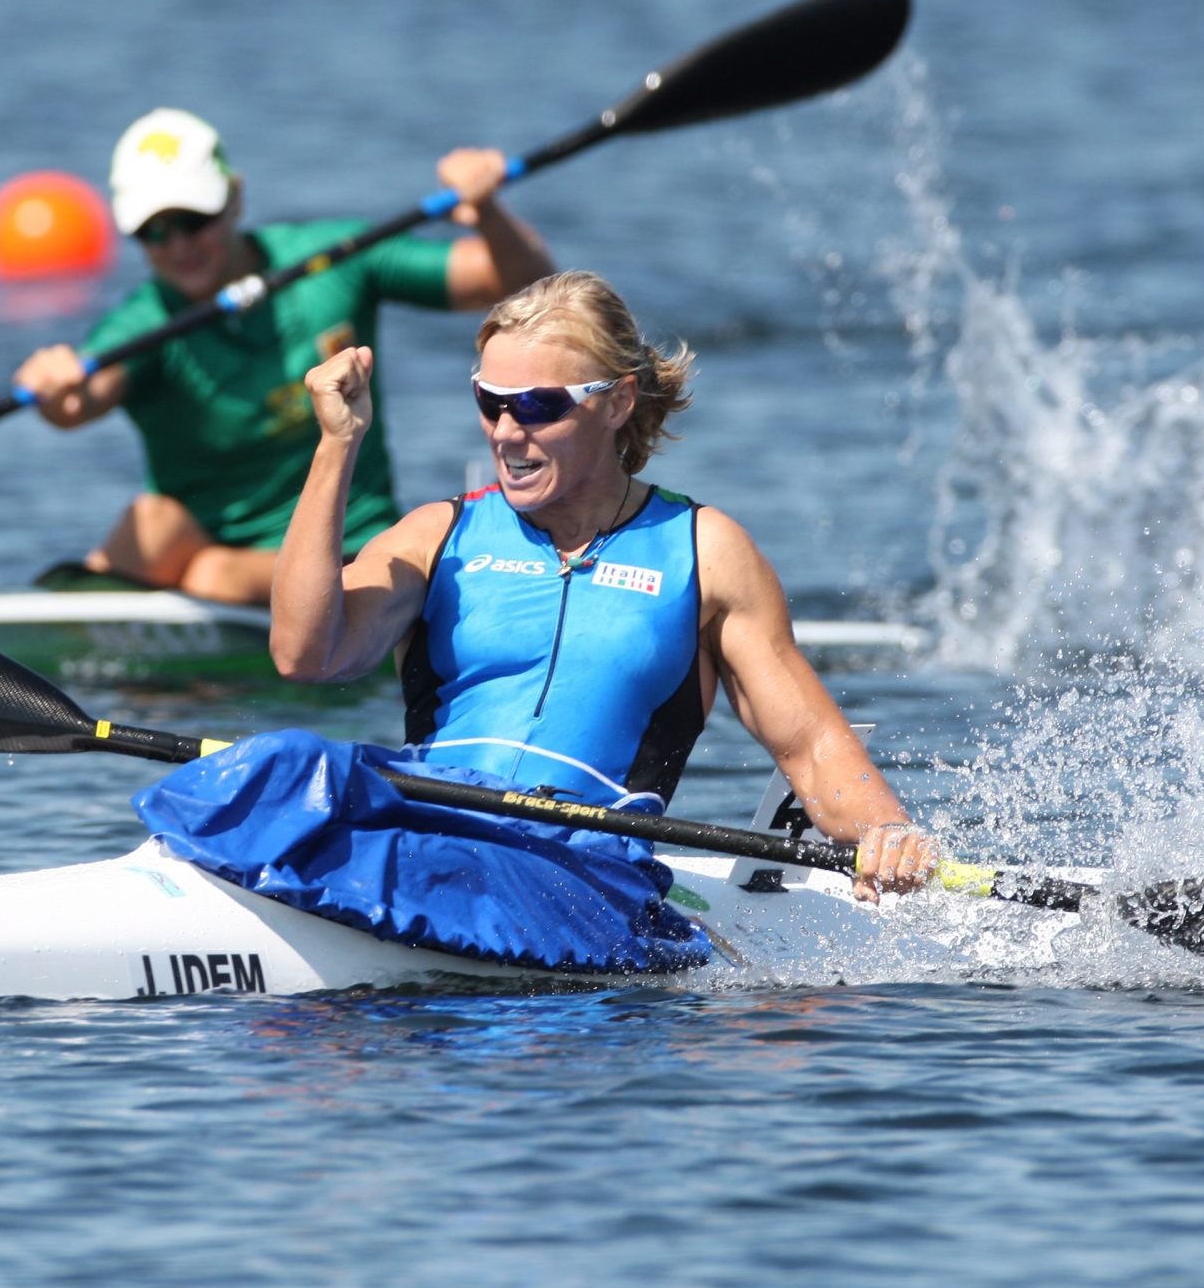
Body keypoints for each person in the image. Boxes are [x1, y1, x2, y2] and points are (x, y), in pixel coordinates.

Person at [268, 270, 937, 901]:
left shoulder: (706, 552)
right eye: (490, 402)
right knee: (280, 764)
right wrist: (337, 446)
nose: (506, 431)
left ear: (617, 402)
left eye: (536, 405)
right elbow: (305, 654)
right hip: (420, 839)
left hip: (582, 877)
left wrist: (887, 833)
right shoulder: (436, 534)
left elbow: (809, 745)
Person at [14, 108, 555, 604]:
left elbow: (523, 285)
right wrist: (54, 388)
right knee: (151, 523)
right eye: (155, 232)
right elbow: (78, 404)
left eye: (194, 220)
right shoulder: (145, 322)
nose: (179, 246)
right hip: (212, 555)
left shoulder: (333, 262)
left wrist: (486, 210)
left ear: (235, 196)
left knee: (212, 577)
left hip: (352, 554)